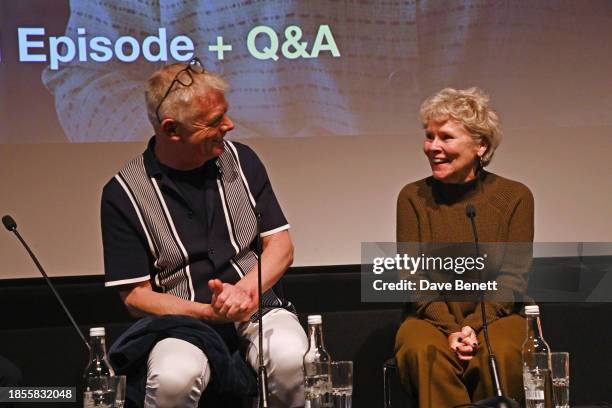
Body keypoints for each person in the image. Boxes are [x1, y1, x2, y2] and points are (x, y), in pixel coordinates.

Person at [101, 58, 307, 408]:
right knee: (173, 378)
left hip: (258, 308)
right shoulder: (124, 191)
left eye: (225, 113)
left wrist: (242, 294)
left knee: (291, 359)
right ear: (171, 130)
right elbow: (136, 295)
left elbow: (280, 245)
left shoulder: (243, 161)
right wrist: (208, 314)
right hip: (180, 323)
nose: (229, 125)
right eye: (214, 121)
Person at [394, 87, 534, 407]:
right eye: (429, 136)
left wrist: (471, 327)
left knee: (500, 352)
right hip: (429, 315)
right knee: (425, 351)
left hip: (499, 314)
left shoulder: (514, 197)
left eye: (446, 137)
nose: (433, 147)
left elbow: (513, 278)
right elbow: (412, 277)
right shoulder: (412, 197)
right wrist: (451, 329)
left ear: (480, 145)